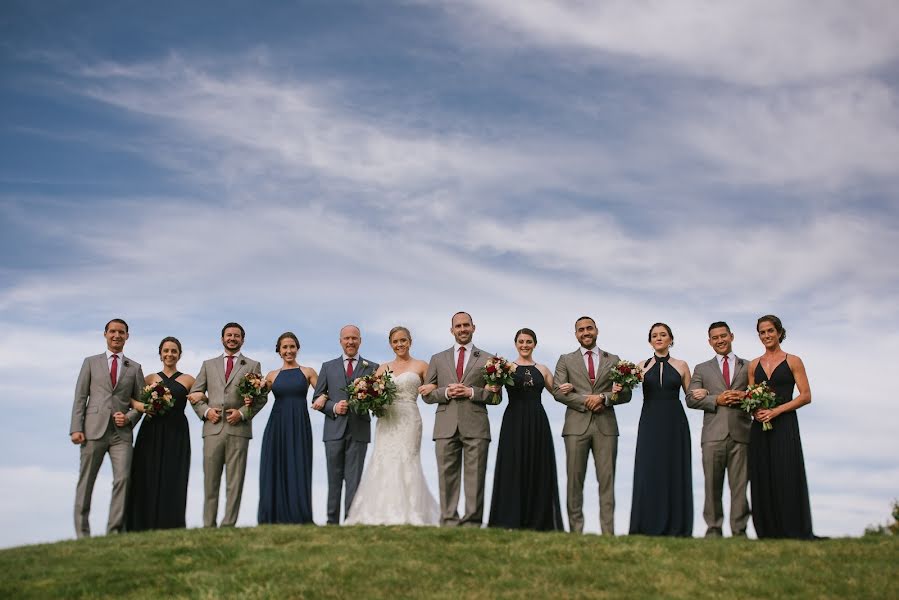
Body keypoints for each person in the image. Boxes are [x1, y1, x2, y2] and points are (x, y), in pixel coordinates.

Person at [346, 326, 439, 525]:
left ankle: (412, 511)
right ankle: (381, 511)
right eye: (395, 342)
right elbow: (374, 393)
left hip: (409, 418)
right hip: (386, 419)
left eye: (403, 340)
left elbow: (436, 387)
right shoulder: (382, 368)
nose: (399, 345)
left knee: (408, 460)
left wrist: (431, 386)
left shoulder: (422, 365)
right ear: (390, 344)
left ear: (410, 341)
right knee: (383, 459)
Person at [551, 316, 630, 535]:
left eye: (589, 328)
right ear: (576, 334)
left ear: (596, 331)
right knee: (574, 482)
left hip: (606, 427)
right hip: (576, 427)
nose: (585, 332)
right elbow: (557, 392)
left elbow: (626, 393)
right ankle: (575, 532)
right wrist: (588, 400)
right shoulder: (565, 360)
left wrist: (604, 398)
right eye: (581, 330)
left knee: (607, 481)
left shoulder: (613, 360)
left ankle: (608, 533)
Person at [70, 318, 145, 538]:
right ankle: (82, 533)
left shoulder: (135, 368)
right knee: (87, 480)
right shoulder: (90, 363)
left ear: (127, 336)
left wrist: (129, 417)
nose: (116, 336)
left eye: (121, 332)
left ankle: (114, 531)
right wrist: (76, 427)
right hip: (92, 430)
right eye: (112, 331)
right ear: (105, 334)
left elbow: (141, 404)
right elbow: (80, 397)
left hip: (121, 435)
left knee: (122, 479)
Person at [188, 322, 265, 528]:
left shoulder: (252, 365)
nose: (232, 338)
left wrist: (242, 413)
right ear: (222, 338)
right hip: (212, 430)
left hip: (238, 431)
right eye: (229, 335)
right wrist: (206, 411)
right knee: (210, 482)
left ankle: (228, 524)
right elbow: (195, 395)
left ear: (242, 340)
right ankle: (208, 525)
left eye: (237, 336)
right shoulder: (208, 364)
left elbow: (261, 398)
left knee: (235, 481)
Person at [423, 311, 496, 527]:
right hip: (445, 426)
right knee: (447, 477)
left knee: (475, 477)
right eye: (458, 326)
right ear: (452, 330)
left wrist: (471, 392)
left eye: (466, 325)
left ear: (474, 327)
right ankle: (449, 520)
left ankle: (472, 521)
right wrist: (446, 392)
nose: (462, 329)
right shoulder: (437, 359)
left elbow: (496, 396)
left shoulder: (489, 359)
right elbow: (427, 394)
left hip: (476, 426)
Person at [488, 328, 563, 531]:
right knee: (512, 465)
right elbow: (493, 396)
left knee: (538, 465)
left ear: (535, 344)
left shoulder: (543, 369)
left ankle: (538, 520)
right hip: (513, 419)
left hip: (537, 419)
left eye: (529, 341)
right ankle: (509, 519)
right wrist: (492, 388)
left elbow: (558, 393)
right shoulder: (505, 367)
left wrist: (569, 389)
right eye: (521, 341)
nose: (524, 345)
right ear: (515, 344)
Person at [748, 315, 815, 539]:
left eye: (770, 331)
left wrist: (776, 411)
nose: (766, 336)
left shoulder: (793, 360)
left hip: (785, 424)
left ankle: (793, 529)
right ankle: (767, 530)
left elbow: (805, 396)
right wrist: (755, 410)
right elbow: (751, 396)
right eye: (762, 332)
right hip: (760, 427)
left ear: (779, 332)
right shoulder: (753, 365)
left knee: (786, 473)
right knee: (762, 474)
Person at [687, 321, 751, 538]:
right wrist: (717, 399)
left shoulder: (749, 366)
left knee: (740, 486)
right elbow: (690, 398)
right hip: (712, 436)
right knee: (712, 485)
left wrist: (744, 397)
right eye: (715, 338)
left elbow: (761, 394)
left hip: (742, 433)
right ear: (710, 342)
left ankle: (739, 530)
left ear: (731, 336)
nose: (720, 340)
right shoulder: (701, 369)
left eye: (723, 336)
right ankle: (713, 529)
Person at [629, 323, 693, 536]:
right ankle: (646, 523)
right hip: (650, 421)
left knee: (674, 467)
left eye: (663, 335)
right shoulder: (641, 365)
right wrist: (617, 386)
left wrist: (702, 394)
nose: (659, 338)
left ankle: (677, 525)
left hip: (675, 421)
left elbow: (691, 397)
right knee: (649, 469)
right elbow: (624, 391)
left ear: (670, 339)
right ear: (650, 341)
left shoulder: (682, 365)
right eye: (654, 336)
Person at [311, 325, 378, 525]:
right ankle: (332, 522)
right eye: (347, 338)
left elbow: (378, 400)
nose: (350, 342)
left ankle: (351, 521)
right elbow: (317, 397)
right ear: (340, 341)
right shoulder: (327, 367)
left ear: (360, 341)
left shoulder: (372, 367)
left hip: (359, 430)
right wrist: (332, 407)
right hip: (333, 431)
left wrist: (361, 402)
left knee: (354, 481)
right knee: (333, 479)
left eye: (354, 338)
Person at [126, 336, 194, 531]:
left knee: (174, 476)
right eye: (166, 351)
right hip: (151, 431)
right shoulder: (149, 379)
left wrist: (201, 395)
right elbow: (131, 399)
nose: (169, 354)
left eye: (173, 351)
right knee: (146, 474)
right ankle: (142, 524)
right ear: (160, 354)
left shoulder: (188, 379)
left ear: (179, 354)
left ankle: (171, 523)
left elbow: (203, 396)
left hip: (177, 432)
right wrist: (141, 405)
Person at [257, 332, 318, 524]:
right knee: (276, 465)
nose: (289, 351)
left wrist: (323, 398)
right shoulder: (272, 375)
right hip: (277, 425)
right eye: (285, 347)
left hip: (299, 424)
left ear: (297, 349)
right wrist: (253, 391)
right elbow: (257, 398)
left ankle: (299, 514)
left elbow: (323, 393)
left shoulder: (308, 372)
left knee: (298, 464)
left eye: (292, 347)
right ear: (279, 351)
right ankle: (273, 515)